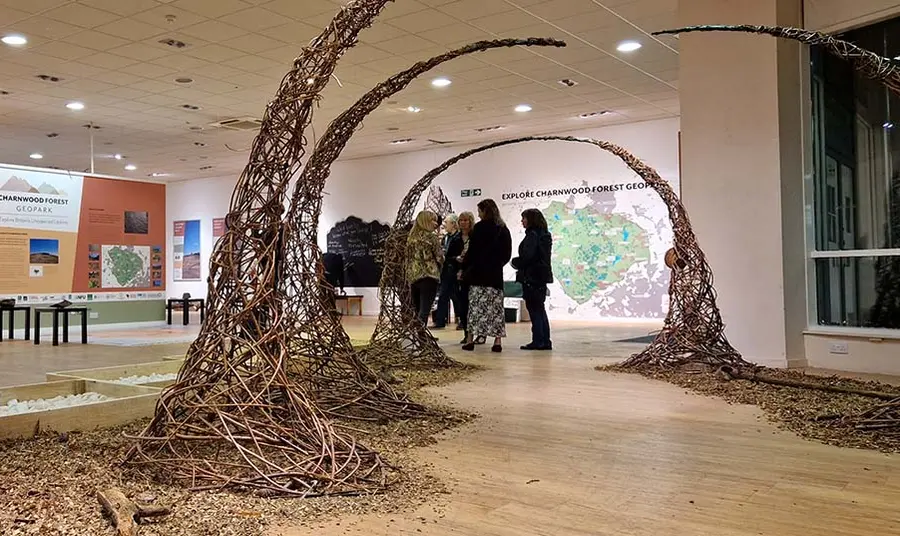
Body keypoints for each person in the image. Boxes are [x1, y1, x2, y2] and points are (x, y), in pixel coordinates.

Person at [461, 199, 512, 353]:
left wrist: (465, 267)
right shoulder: (502, 229)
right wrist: (496, 264)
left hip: (478, 275)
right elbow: (507, 254)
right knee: (496, 310)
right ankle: (497, 342)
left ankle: (470, 339)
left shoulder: (479, 228)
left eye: (479, 211)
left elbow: (472, 252)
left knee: (475, 309)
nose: (478, 214)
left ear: (484, 211)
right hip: (494, 276)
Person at [511, 208, 553, 350]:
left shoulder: (532, 235)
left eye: (524, 218)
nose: (522, 221)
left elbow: (528, 257)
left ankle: (538, 341)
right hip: (541, 276)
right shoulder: (544, 235)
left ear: (531, 219)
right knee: (540, 309)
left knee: (534, 309)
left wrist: (515, 262)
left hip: (531, 276)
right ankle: (545, 340)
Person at [406, 210, 443, 326]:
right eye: (433, 220)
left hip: (414, 277)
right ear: (426, 221)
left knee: (417, 310)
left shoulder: (411, 238)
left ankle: (418, 337)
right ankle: (422, 337)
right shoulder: (431, 238)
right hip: (429, 276)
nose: (436, 223)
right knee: (425, 310)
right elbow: (439, 257)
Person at [433, 214, 463, 329]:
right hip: (445, 271)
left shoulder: (459, 237)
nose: (444, 224)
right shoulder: (445, 238)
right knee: (444, 295)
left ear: (454, 224)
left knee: (456, 296)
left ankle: (461, 320)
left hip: (455, 270)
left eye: (446, 222)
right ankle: (440, 321)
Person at [455, 211, 477, 343]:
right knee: (462, 307)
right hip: (459, 276)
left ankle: (477, 334)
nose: (463, 223)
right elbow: (449, 257)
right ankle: (467, 334)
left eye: (466, 220)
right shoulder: (455, 239)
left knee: (473, 307)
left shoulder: (476, 237)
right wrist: (456, 259)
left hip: (473, 276)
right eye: (461, 220)